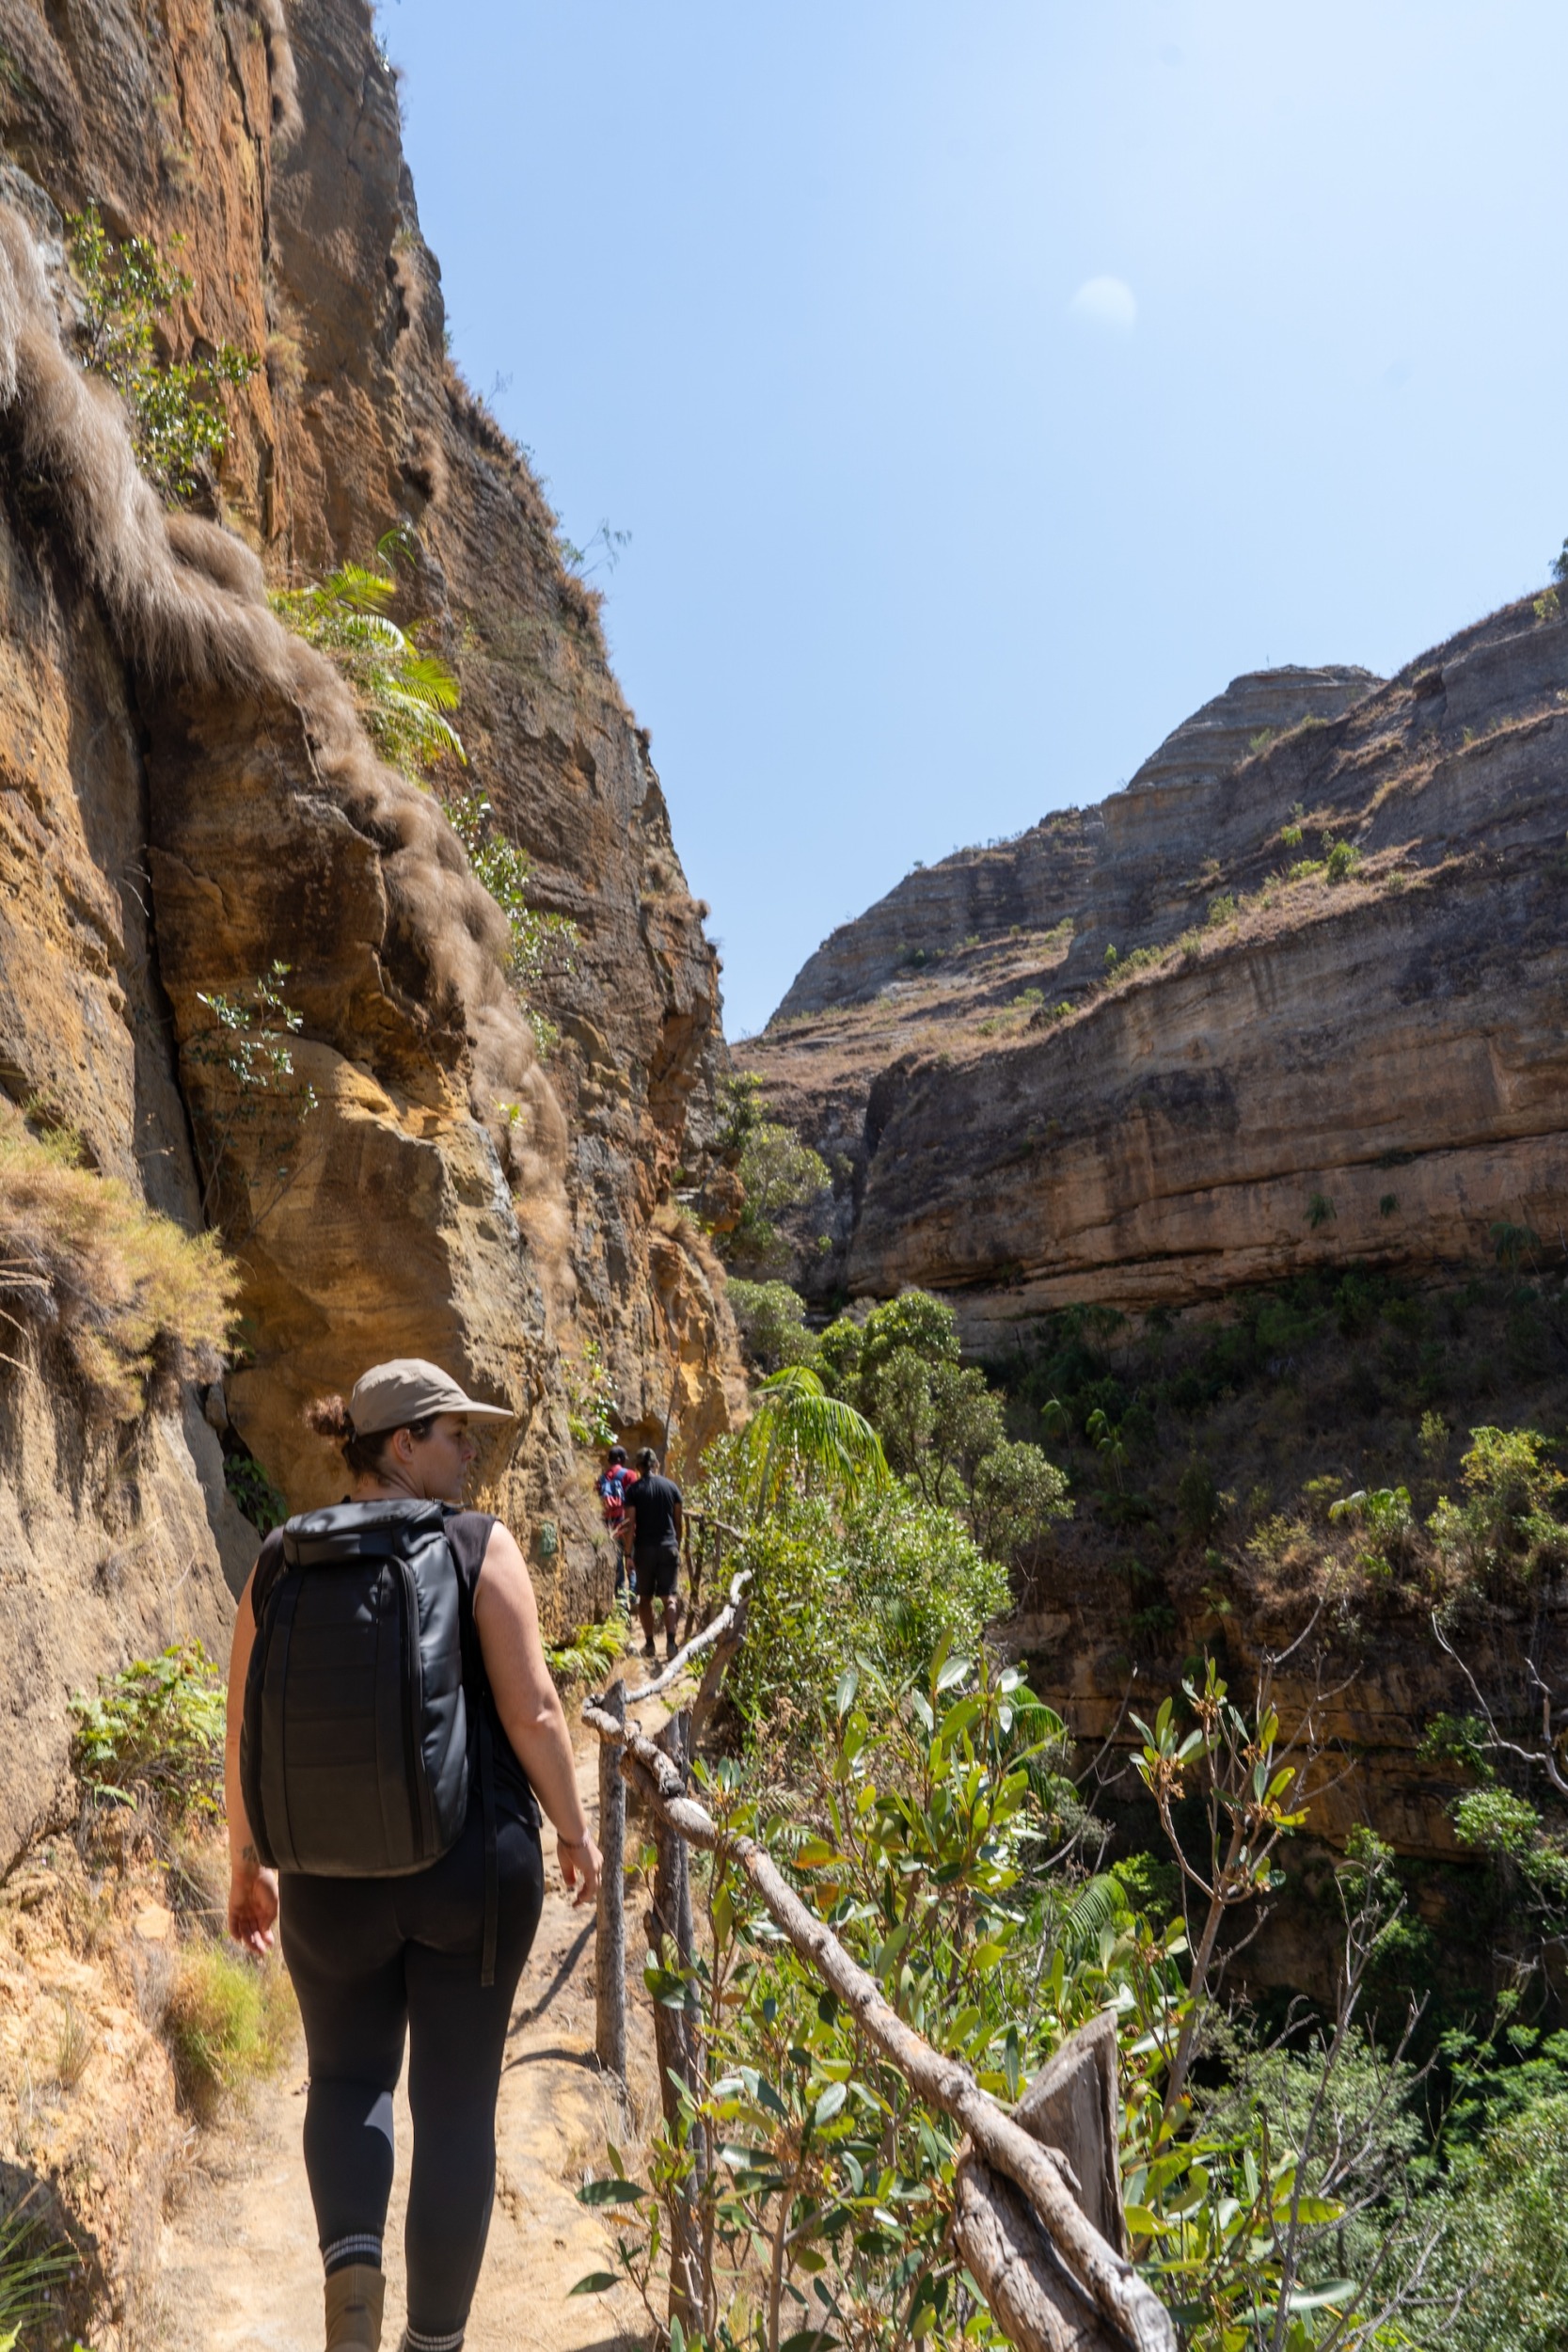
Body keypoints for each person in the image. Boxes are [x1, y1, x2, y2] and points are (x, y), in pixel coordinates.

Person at [224, 1359, 603, 2352]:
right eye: (452, 1432)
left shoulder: (278, 1560)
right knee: (454, 2107)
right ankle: (432, 2345)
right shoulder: (477, 1545)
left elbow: (243, 1730)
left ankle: (351, 2283)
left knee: (347, 2081)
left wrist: (246, 1864)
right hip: (468, 1870)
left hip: (325, 1877)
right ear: (401, 1444)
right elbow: (532, 1709)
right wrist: (574, 1829)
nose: (469, 1450)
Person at [623, 1444, 684, 1661]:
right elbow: (678, 1522)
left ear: (638, 1467)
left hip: (645, 1550)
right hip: (669, 1547)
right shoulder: (672, 1487)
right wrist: (677, 1545)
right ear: (656, 1465)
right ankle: (671, 1643)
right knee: (670, 1598)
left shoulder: (634, 1490)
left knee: (645, 1599)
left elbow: (630, 1524)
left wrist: (628, 1554)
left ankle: (649, 1644)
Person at [594, 1441, 638, 1609]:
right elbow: (635, 1501)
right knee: (631, 1558)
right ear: (620, 1459)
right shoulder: (630, 1475)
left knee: (618, 1565)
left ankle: (621, 1606)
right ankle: (633, 1595)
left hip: (608, 1527)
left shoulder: (602, 1478)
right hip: (625, 1523)